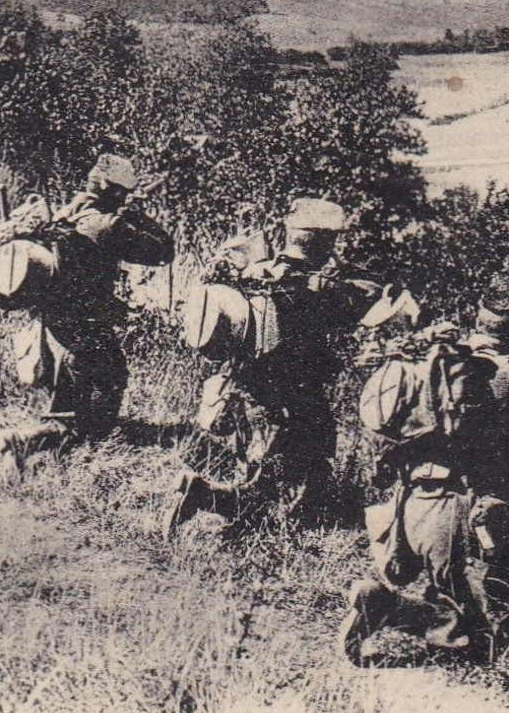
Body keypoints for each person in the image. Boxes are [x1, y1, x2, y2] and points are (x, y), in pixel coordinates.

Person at [339, 272, 509, 662]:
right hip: (466, 512)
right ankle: (390, 608)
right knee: (492, 640)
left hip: (411, 504)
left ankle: (389, 603)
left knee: (463, 600)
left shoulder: (444, 357)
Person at [163, 196, 383, 538]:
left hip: (247, 393)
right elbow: (371, 297)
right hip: (290, 405)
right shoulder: (314, 289)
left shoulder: (253, 272)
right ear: (325, 241)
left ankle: (273, 527)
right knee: (269, 494)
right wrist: (332, 269)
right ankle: (201, 495)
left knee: (292, 478)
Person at [0, 153, 174, 473]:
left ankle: (45, 459)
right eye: (122, 192)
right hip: (86, 324)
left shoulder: (67, 212)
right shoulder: (108, 225)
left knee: (69, 402)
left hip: (55, 323)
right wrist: (137, 216)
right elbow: (164, 251)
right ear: (112, 190)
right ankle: (25, 441)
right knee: (98, 406)